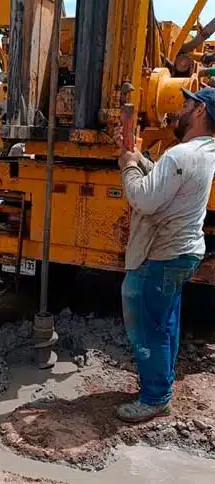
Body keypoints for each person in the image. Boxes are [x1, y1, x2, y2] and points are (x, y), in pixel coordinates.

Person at [115, 87, 215, 423]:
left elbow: (143, 199)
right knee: (166, 318)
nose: (179, 109)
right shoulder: (205, 151)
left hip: (161, 254)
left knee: (146, 325)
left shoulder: (180, 155)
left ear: (200, 111)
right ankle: (162, 384)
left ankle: (154, 398)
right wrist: (141, 158)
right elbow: (169, 181)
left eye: (187, 104)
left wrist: (129, 166)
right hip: (185, 251)